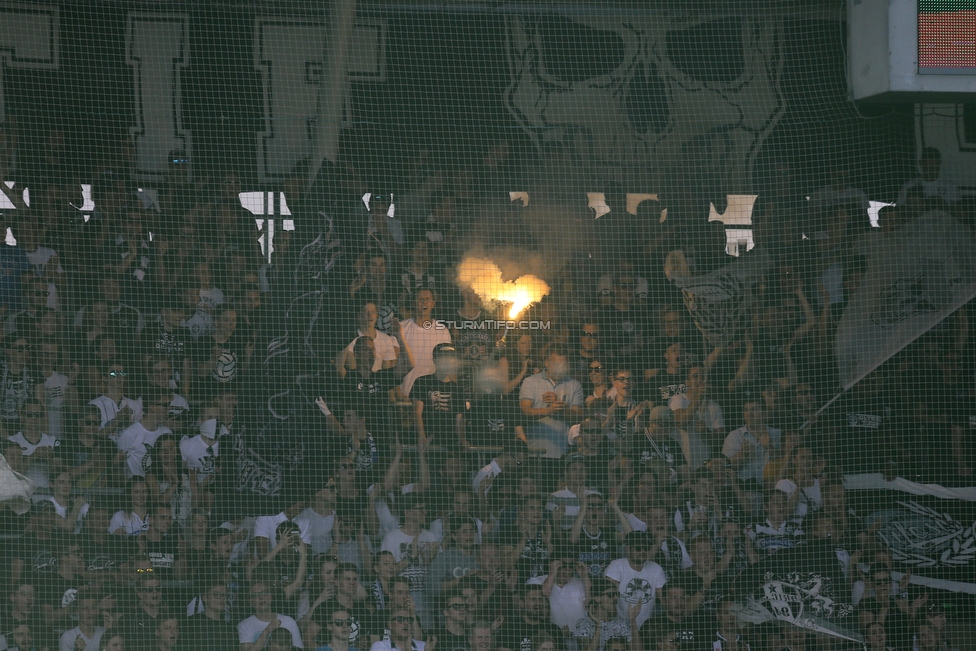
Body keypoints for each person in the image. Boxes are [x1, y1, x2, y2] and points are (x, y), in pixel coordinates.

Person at [519, 345, 584, 458]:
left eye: (563, 365)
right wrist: (549, 410)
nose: (560, 369)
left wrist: (562, 408)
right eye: (556, 365)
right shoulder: (530, 382)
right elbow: (524, 412)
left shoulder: (574, 384)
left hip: (564, 453)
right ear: (546, 363)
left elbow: (578, 417)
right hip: (536, 452)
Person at [603, 532, 667, 629]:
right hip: (618, 628)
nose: (642, 552)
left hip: (646, 629)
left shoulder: (656, 569)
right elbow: (606, 597)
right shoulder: (616, 566)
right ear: (628, 549)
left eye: (646, 548)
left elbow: (664, 599)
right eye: (638, 548)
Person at [425, 517, 478, 625]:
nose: (469, 535)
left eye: (472, 531)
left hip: (476, 620)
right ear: (454, 536)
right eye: (464, 531)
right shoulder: (444, 558)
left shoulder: (480, 557)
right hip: (449, 623)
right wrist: (462, 580)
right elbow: (431, 588)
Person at [412, 344, 465, 447]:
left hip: (448, 440)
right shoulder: (422, 382)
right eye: (444, 359)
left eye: (451, 359)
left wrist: (462, 439)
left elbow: (459, 418)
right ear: (435, 360)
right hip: (427, 436)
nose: (448, 363)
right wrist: (422, 437)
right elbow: (417, 412)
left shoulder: (458, 388)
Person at [572, 578, 640, 651]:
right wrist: (598, 627)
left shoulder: (622, 624)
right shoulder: (584, 624)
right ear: (597, 598)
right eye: (611, 594)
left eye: (617, 594)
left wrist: (633, 621)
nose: (616, 598)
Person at [238, 582, 304, 651]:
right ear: (250, 601)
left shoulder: (289, 621)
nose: (261, 597)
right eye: (255, 595)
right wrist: (267, 631)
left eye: (265, 593)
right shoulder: (243, 625)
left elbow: (298, 649)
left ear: (271, 596)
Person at [495, 584, 562, 651]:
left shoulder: (554, 630)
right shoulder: (509, 630)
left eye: (540, 599)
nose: (538, 603)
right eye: (533, 599)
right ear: (522, 603)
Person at [184, 575, 239, 651]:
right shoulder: (191, 623)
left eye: (225, 595)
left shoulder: (230, 629)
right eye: (217, 594)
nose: (222, 598)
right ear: (205, 597)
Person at [367, 608, 433, 651]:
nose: (406, 623)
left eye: (409, 620)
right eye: (400, 619)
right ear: (390, 625)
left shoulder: (423, 646)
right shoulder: (379, 647)